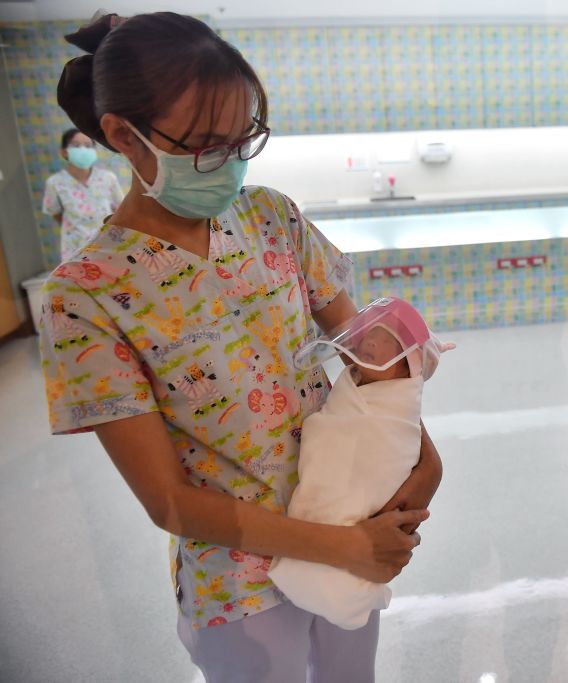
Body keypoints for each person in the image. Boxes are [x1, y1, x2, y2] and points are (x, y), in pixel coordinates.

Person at [41, 12, 441, 682]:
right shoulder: (85, 296)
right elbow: (167, 498)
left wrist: (421, 459)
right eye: (204, 146)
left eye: (240, 140)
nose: (227, 164)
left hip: (351, 517)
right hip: (240, 585)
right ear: (122, 136)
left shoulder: (270, 218)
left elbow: (370, 360)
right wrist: (344, 545)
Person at [269, 298, 454, 630]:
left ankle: (338, 584)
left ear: (406, 368)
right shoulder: (357, 383)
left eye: (388, 341)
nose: (371, 342)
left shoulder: (392, 411)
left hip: (359, 537)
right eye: (371, 333)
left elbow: (386, 449)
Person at [42, 127, 124, 260]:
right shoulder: (55, 183)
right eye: (76, 145)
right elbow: (55, 212)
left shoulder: (108, 178)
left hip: (107, 245)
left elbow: (120, 209)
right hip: (75, 248)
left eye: (88, 145)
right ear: (64, 152)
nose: (83, 149)